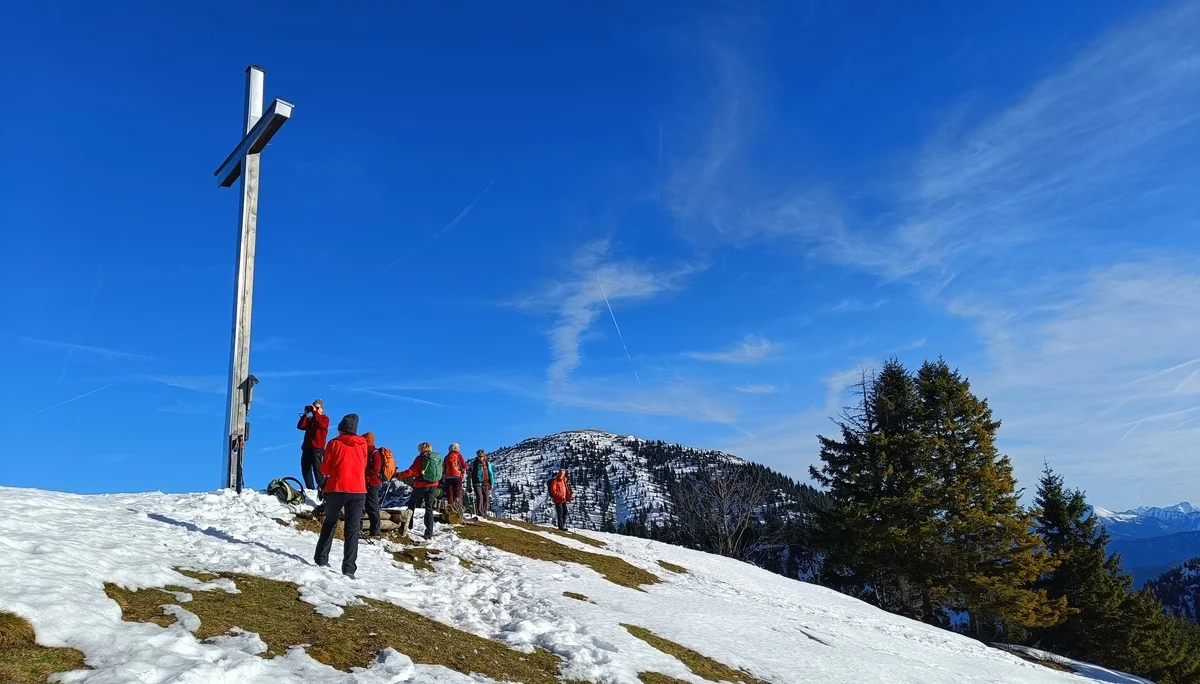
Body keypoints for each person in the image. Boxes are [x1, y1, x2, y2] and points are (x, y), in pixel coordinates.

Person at [314, 414, 368, 578]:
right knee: (352, 529)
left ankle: (321, 558)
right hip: (358, 490)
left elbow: (325, 469)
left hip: (337, 488)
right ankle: (349, 569)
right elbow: (364, 465)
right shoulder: (363, 444)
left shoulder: (334, 443)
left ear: (340, 429)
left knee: (330, 522)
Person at [395, 442, 442, 540]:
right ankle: (429, 532)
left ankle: (408, 525)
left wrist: (398, 475)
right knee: (429, 508)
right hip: (433, 485)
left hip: (421, 485)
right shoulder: (436, 458)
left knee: (412, 503)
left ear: (420, 449)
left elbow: (412, 471)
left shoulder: (420, 458)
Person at [297, 399, 330, 492]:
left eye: (317, 407)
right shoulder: (311, 419)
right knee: (305, 469)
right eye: (314, 407)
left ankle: (324, 489)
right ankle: (310, 489)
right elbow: (300, 426)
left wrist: (315, 412)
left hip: (317, 448)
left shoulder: (324, 419)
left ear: (322, 409)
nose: (315, 409)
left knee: (317, 470)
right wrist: (305, 414)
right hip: (307, 447)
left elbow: (320, 423)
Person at [362, 431, 383, 538]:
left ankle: (375, 531)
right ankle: (374, 531)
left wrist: (364, 473)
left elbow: (375, 469)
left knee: (372, 506)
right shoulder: (372, 452)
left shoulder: (374, 453)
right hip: (370, 483)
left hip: (372, 483)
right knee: (369, 506)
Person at [442, 443, 468, 516]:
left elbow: (444, 467)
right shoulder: (459, 455)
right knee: (457, 492)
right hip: (457, 476)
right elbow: (464, 465)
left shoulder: (446, 457)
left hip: (448, 477)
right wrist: (468, 467)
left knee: (450, 493)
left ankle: (450, 509)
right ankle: (457, 509)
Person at [469, 449, 496, 518]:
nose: (480, 458)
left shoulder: (487, 463)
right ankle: (480, 513)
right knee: (479, 497)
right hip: (476, 483)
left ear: (484, 456)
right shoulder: (473, 464)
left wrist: (492, 483)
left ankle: (484, 512)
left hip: (486, 483)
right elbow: (469, 475)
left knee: (486, 498)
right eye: (479, 456)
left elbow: (491, 473)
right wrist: (469, 485)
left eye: (482, 456)